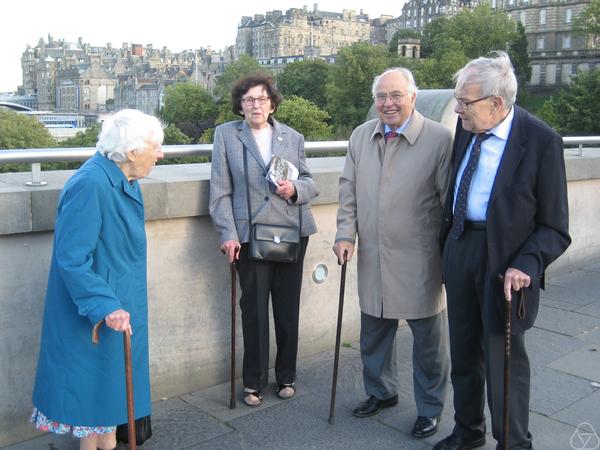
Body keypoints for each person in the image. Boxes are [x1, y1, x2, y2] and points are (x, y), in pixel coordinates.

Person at [434, 52, 571, 450]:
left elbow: (555, 227)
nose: (457, 109)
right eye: (457, 99)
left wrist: (526, 263)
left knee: (503, 359)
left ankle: (512, 441)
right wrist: (447, 247)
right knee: (463, 352)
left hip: (506, 264)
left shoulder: (541, 141)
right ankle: (467, 431)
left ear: (497, 103)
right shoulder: (466, 127)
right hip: (460, 247)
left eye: (465, 101)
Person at [31, 109, 164, 450]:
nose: (161, 153)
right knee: (94, 405)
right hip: (98, 311)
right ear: (132, 151)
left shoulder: (120, 176)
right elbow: (72, 259)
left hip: (116, 306)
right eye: (155, 146)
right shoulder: (91, 183)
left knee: (107, 402)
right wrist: (106, 305)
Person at [333, 67, 452, 438]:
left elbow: (449, 203)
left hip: (421, 259)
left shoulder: (439, 139)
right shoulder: (360, 136)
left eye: (396, 95)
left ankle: (430, 408)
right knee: (374, 332)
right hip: (372, 255)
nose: (388, 103)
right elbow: (348, 190)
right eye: (382, 96)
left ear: (413, 97)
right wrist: (344, 234)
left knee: (429, 342)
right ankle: (381, 393)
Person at [209, 74, 319, 407]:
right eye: (248, 100)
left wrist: (295, 190)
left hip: (290, 231)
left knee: (287, 311)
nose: (256, 105)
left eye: (261, 99)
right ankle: (253, 381)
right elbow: (220, 191)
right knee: (254, 311)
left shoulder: (292, 137)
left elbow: (311, 182)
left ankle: (286, 376)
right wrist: (228, 234)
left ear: (272, 103)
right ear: (240, 106)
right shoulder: (226, 136)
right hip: (249, 236)